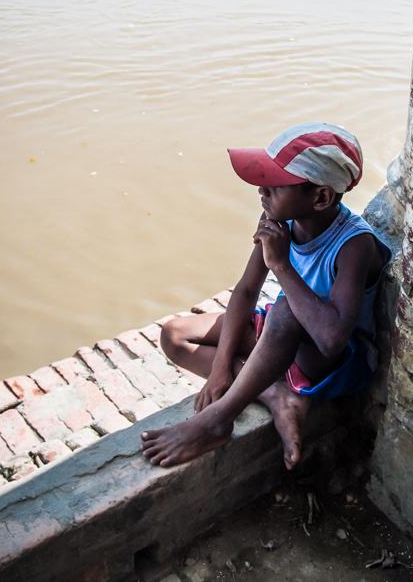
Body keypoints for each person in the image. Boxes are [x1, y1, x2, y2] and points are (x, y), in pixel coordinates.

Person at [141, 122, 391, 470]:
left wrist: (280, 263)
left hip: (327, 358)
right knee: (175, 335)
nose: (261, 190)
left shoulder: (354, 245)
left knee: (285, 311)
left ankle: (217, 420)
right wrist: (221, 367)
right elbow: (246, 290)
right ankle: (275, 396)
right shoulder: (279, 219)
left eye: (275, 184)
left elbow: (332, 340)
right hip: (282, 332)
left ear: (320, 197)